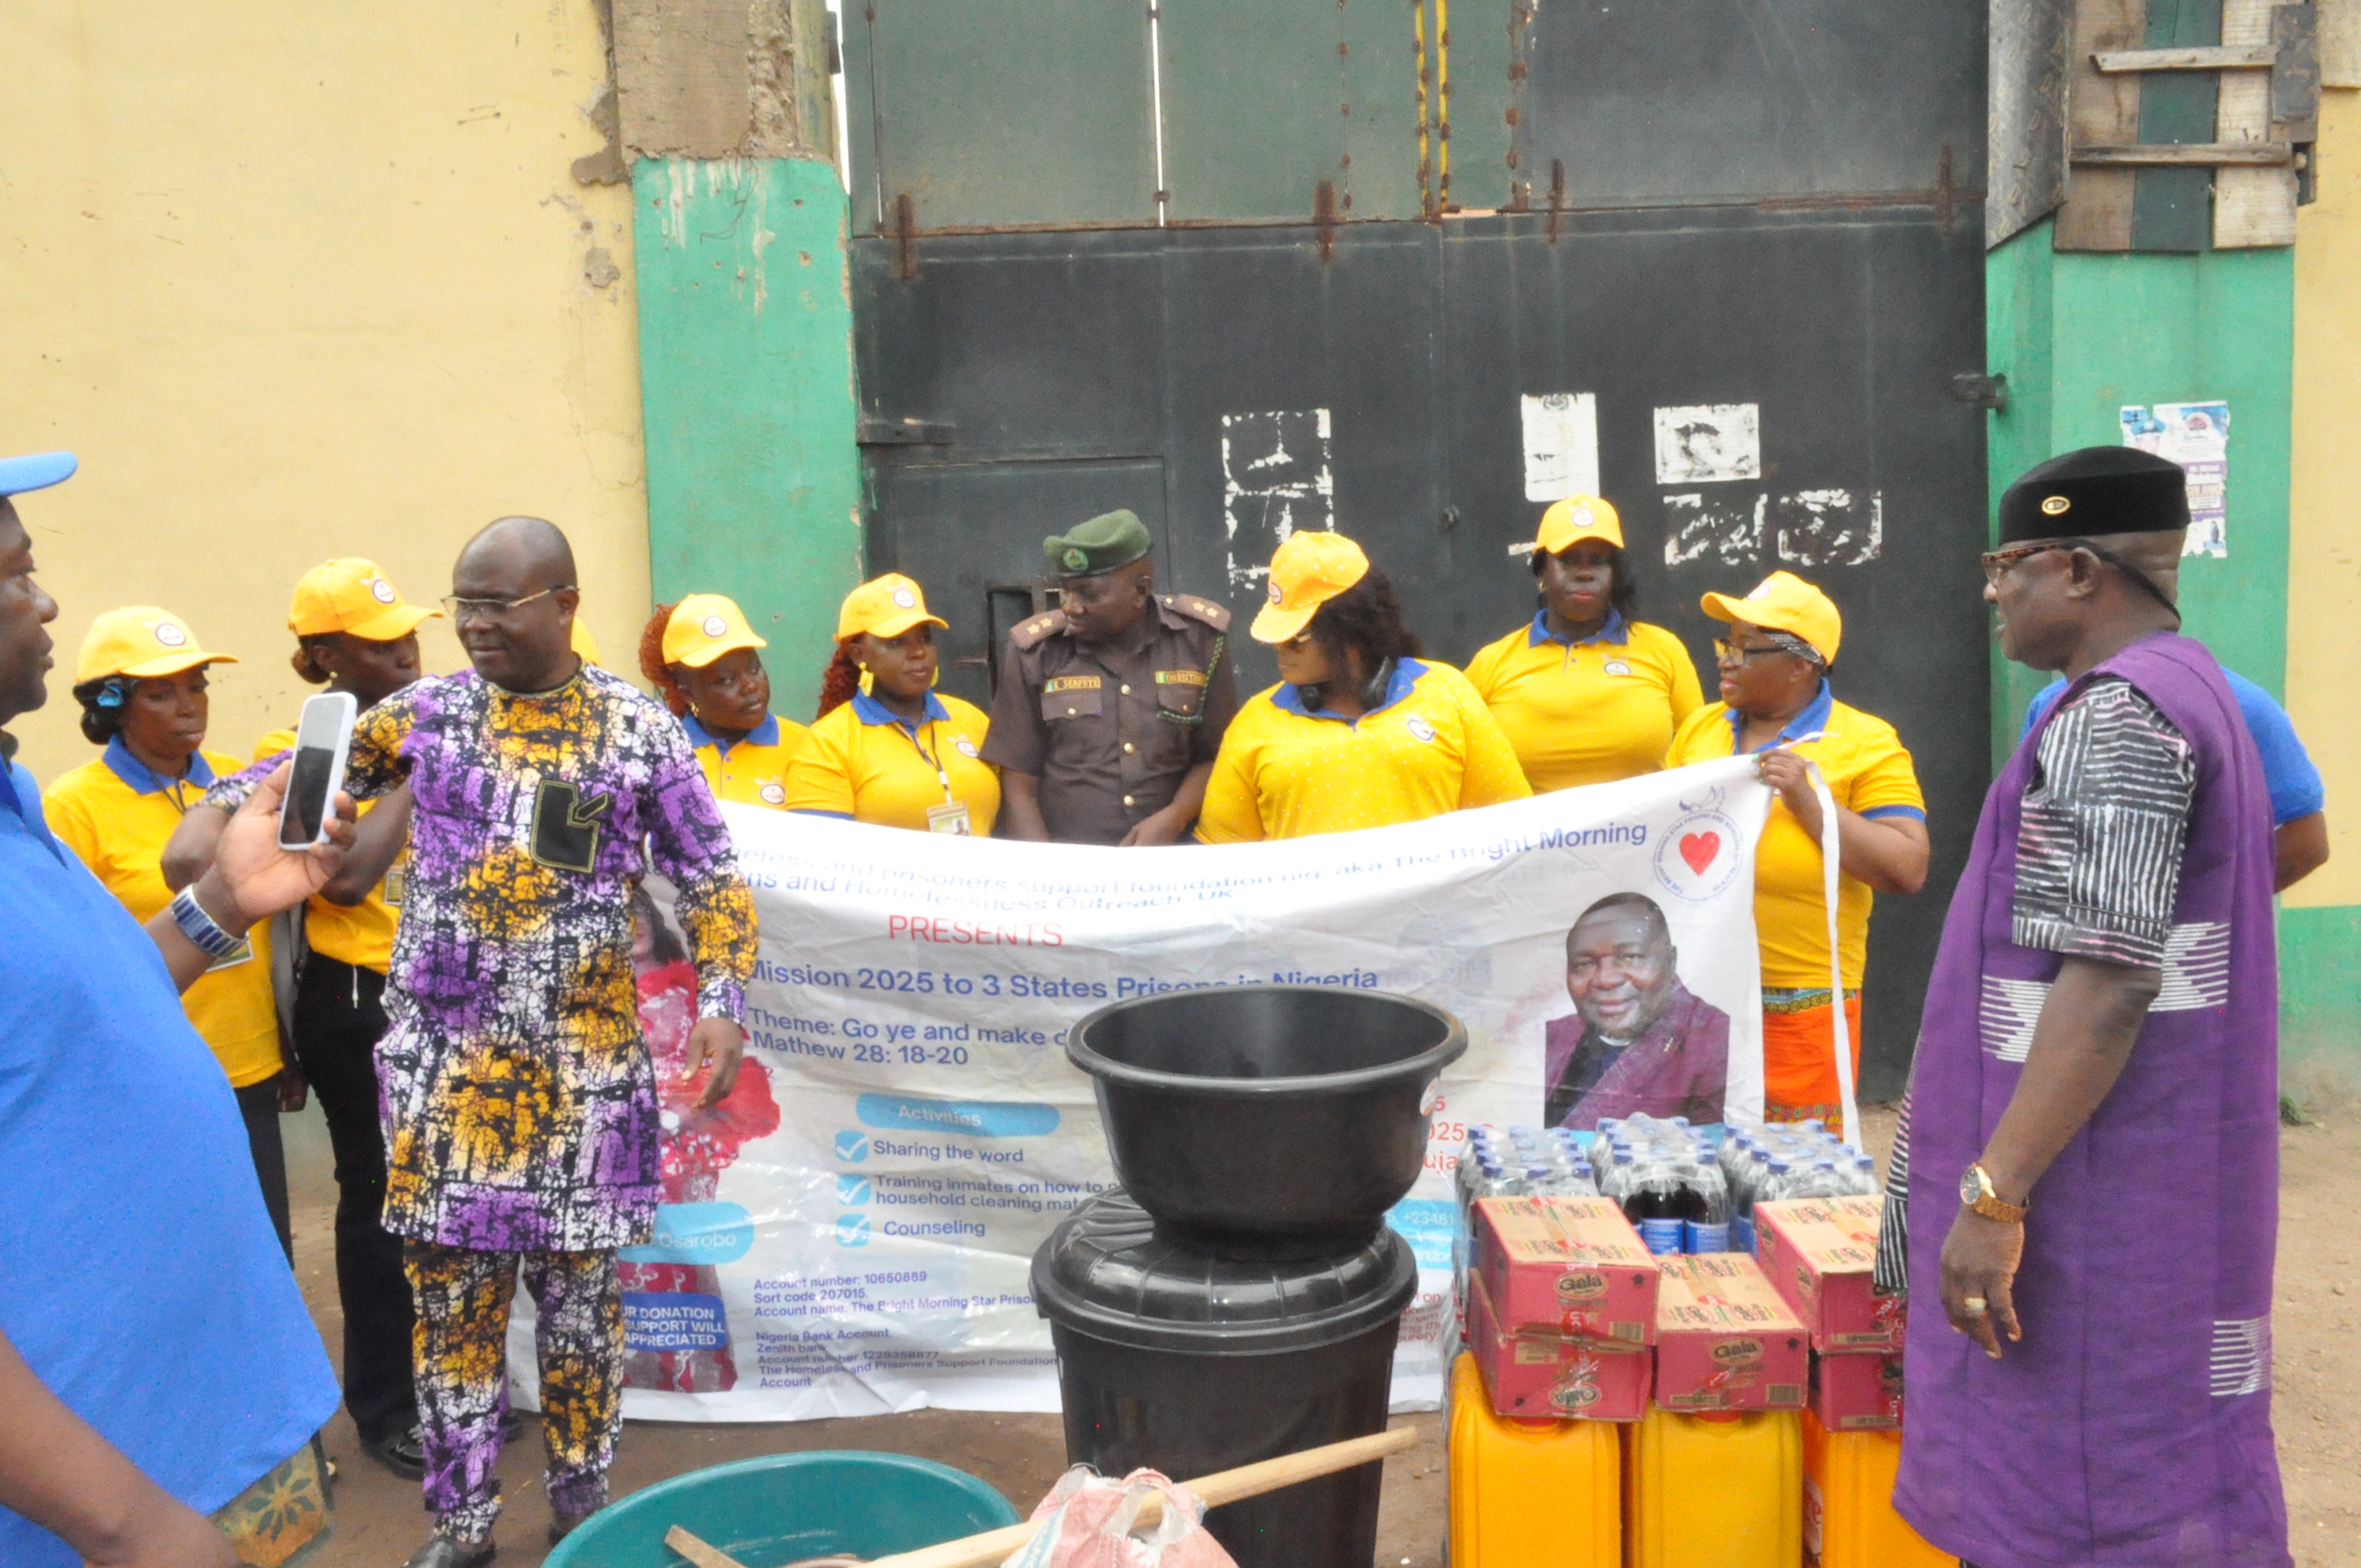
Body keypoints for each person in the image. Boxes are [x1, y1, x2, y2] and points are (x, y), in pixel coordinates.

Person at [324, 517, 758, 1567]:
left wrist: (722, 999)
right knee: (454, 1316)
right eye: (462, 603)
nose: (472, 625)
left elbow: (709, 874)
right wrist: (269, 810)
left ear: (564, 602)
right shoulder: (419, 717)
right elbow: (306, 790)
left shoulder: (635, 730)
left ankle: (581, 1506)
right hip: (445, 1082)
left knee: (578, 1313)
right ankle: (463, 1526)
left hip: (585, 1087)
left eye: (497, 604)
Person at [1884, 446, 2288, 1564]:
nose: (1992, 589)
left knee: (2086, 1482)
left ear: (2073, 569)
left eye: (2003, 564)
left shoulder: (2118, 719)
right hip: (2156, 1180)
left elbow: (2107, 981)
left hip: (2102, 1201)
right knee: (2163, 1458)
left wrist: (1993, 1199)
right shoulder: (2195, 688)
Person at [0, 450, 346, 1568]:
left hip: (218, 1437)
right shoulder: (72, 804)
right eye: (14, 576)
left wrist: (220, 907)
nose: (44, 601)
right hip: (100, 1514)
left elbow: (79, 1021)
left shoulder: (14, 809)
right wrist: (134, 1527)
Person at [160, 558, 439, 1481]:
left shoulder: (443, 727)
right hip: (357, 1002)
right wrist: (421, 769)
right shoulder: (309, 750)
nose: (404, 652)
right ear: (323, 656)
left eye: (407, 634)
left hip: (440, 997)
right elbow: (346, 876)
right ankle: (385, 1409)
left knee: (446, 1208)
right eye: (377, 640)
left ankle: (448, 1395)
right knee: (378, 1207)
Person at [41, 606, 299, 1257]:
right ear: (111, 705)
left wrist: (288, 1048)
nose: (189, 706)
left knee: (267, 1251)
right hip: (155, 1073)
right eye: (162, 693)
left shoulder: (238, 780)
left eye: (197, 686)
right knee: (183, 1255)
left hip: (248, 1066)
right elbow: (72, 951)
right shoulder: (74, 807)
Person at [1664, 571, 1928, 1136]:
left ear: (1800, 665)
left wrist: (1813, 806)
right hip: (1695, 994)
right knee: (1691, 1178)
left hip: (1801, 1005)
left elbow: (1907, 866)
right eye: (1724, 645)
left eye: (1744, 648)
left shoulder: (1864, 741)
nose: (1726, 660)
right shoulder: (1699, 731)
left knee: (1795, 1185)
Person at [1194, 531, 1530, 841]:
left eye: (1296, 638)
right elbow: (1222, 859)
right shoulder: (1254, 723)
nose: (1280, 650)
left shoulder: (1447, 691)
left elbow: (1511, 822)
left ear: (1350, 632)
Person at [984, 509, 1240, 844]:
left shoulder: (1199, 641)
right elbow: (1018, 784)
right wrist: (1048, 878)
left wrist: (1174, 817)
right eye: (1066, 592)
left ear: (1141, 590)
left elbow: (1218, 756)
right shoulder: (1035, 652)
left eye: (1088, 595)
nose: (1071, 607)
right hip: (1072, 867)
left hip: (1174, 861)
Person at [1465, 495, 1705, 791]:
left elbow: (1701, 754)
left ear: (1616, 575)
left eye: (1598, 561)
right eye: (1567, 560)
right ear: (1541, 573)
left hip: (1644, 833)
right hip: (1530, 836)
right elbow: (1458, 763)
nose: (1584, 572)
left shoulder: (1663, 650)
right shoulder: (1492, 663)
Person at [2025, 667, 2329, 890]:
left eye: (2005, 575)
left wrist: (2193, 913)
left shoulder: (2241, 706)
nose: (1992, 592)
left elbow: (2305, 845)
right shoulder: (2050, 705)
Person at [785, 573, 999, 834]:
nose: (918, 652)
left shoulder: (970, 718)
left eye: (925, 638)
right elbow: (819, 854)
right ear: (858, 654)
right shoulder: (829, 743)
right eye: (897, 642)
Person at [1545, 891, 1730, 1127]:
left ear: (1670, 962)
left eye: (1630, 958)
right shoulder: (1552, 1037)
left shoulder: (1711, 1039)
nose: (1606, 980)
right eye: (1585, 964)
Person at [638, 594, 809, 809]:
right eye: (727, 680)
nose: (750, 686)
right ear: (688, 694)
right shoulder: (663, 756)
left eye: (754, 669)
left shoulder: (806, 747)